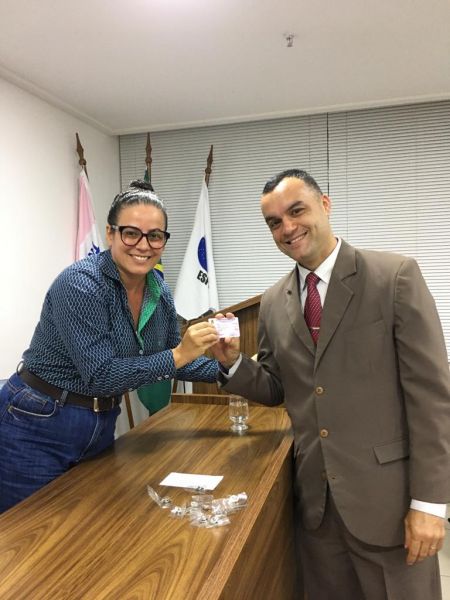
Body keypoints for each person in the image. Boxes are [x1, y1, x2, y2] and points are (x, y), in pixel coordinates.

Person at [211, 169, 450, 599]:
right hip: (318, 511)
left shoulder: (394, 277)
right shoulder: (273, 302)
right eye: (274, 222)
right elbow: (277, 387)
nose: (287, 228)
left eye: (296, 211)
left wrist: (430, 505)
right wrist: (232, 363)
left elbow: (432, 398)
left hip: (390, 507)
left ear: (325, 205)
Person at [0, 180, 219, 513]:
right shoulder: (81, 284)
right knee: (29, 530)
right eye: (131, 233)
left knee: (90, 523)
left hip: (100, 420)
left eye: (155, 236)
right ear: (110, 233)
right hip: (37, 422)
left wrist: (234, 368)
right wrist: (178, 354)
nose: (143, 245)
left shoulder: (158, 290)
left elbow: (174, 357)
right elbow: (102, 375)